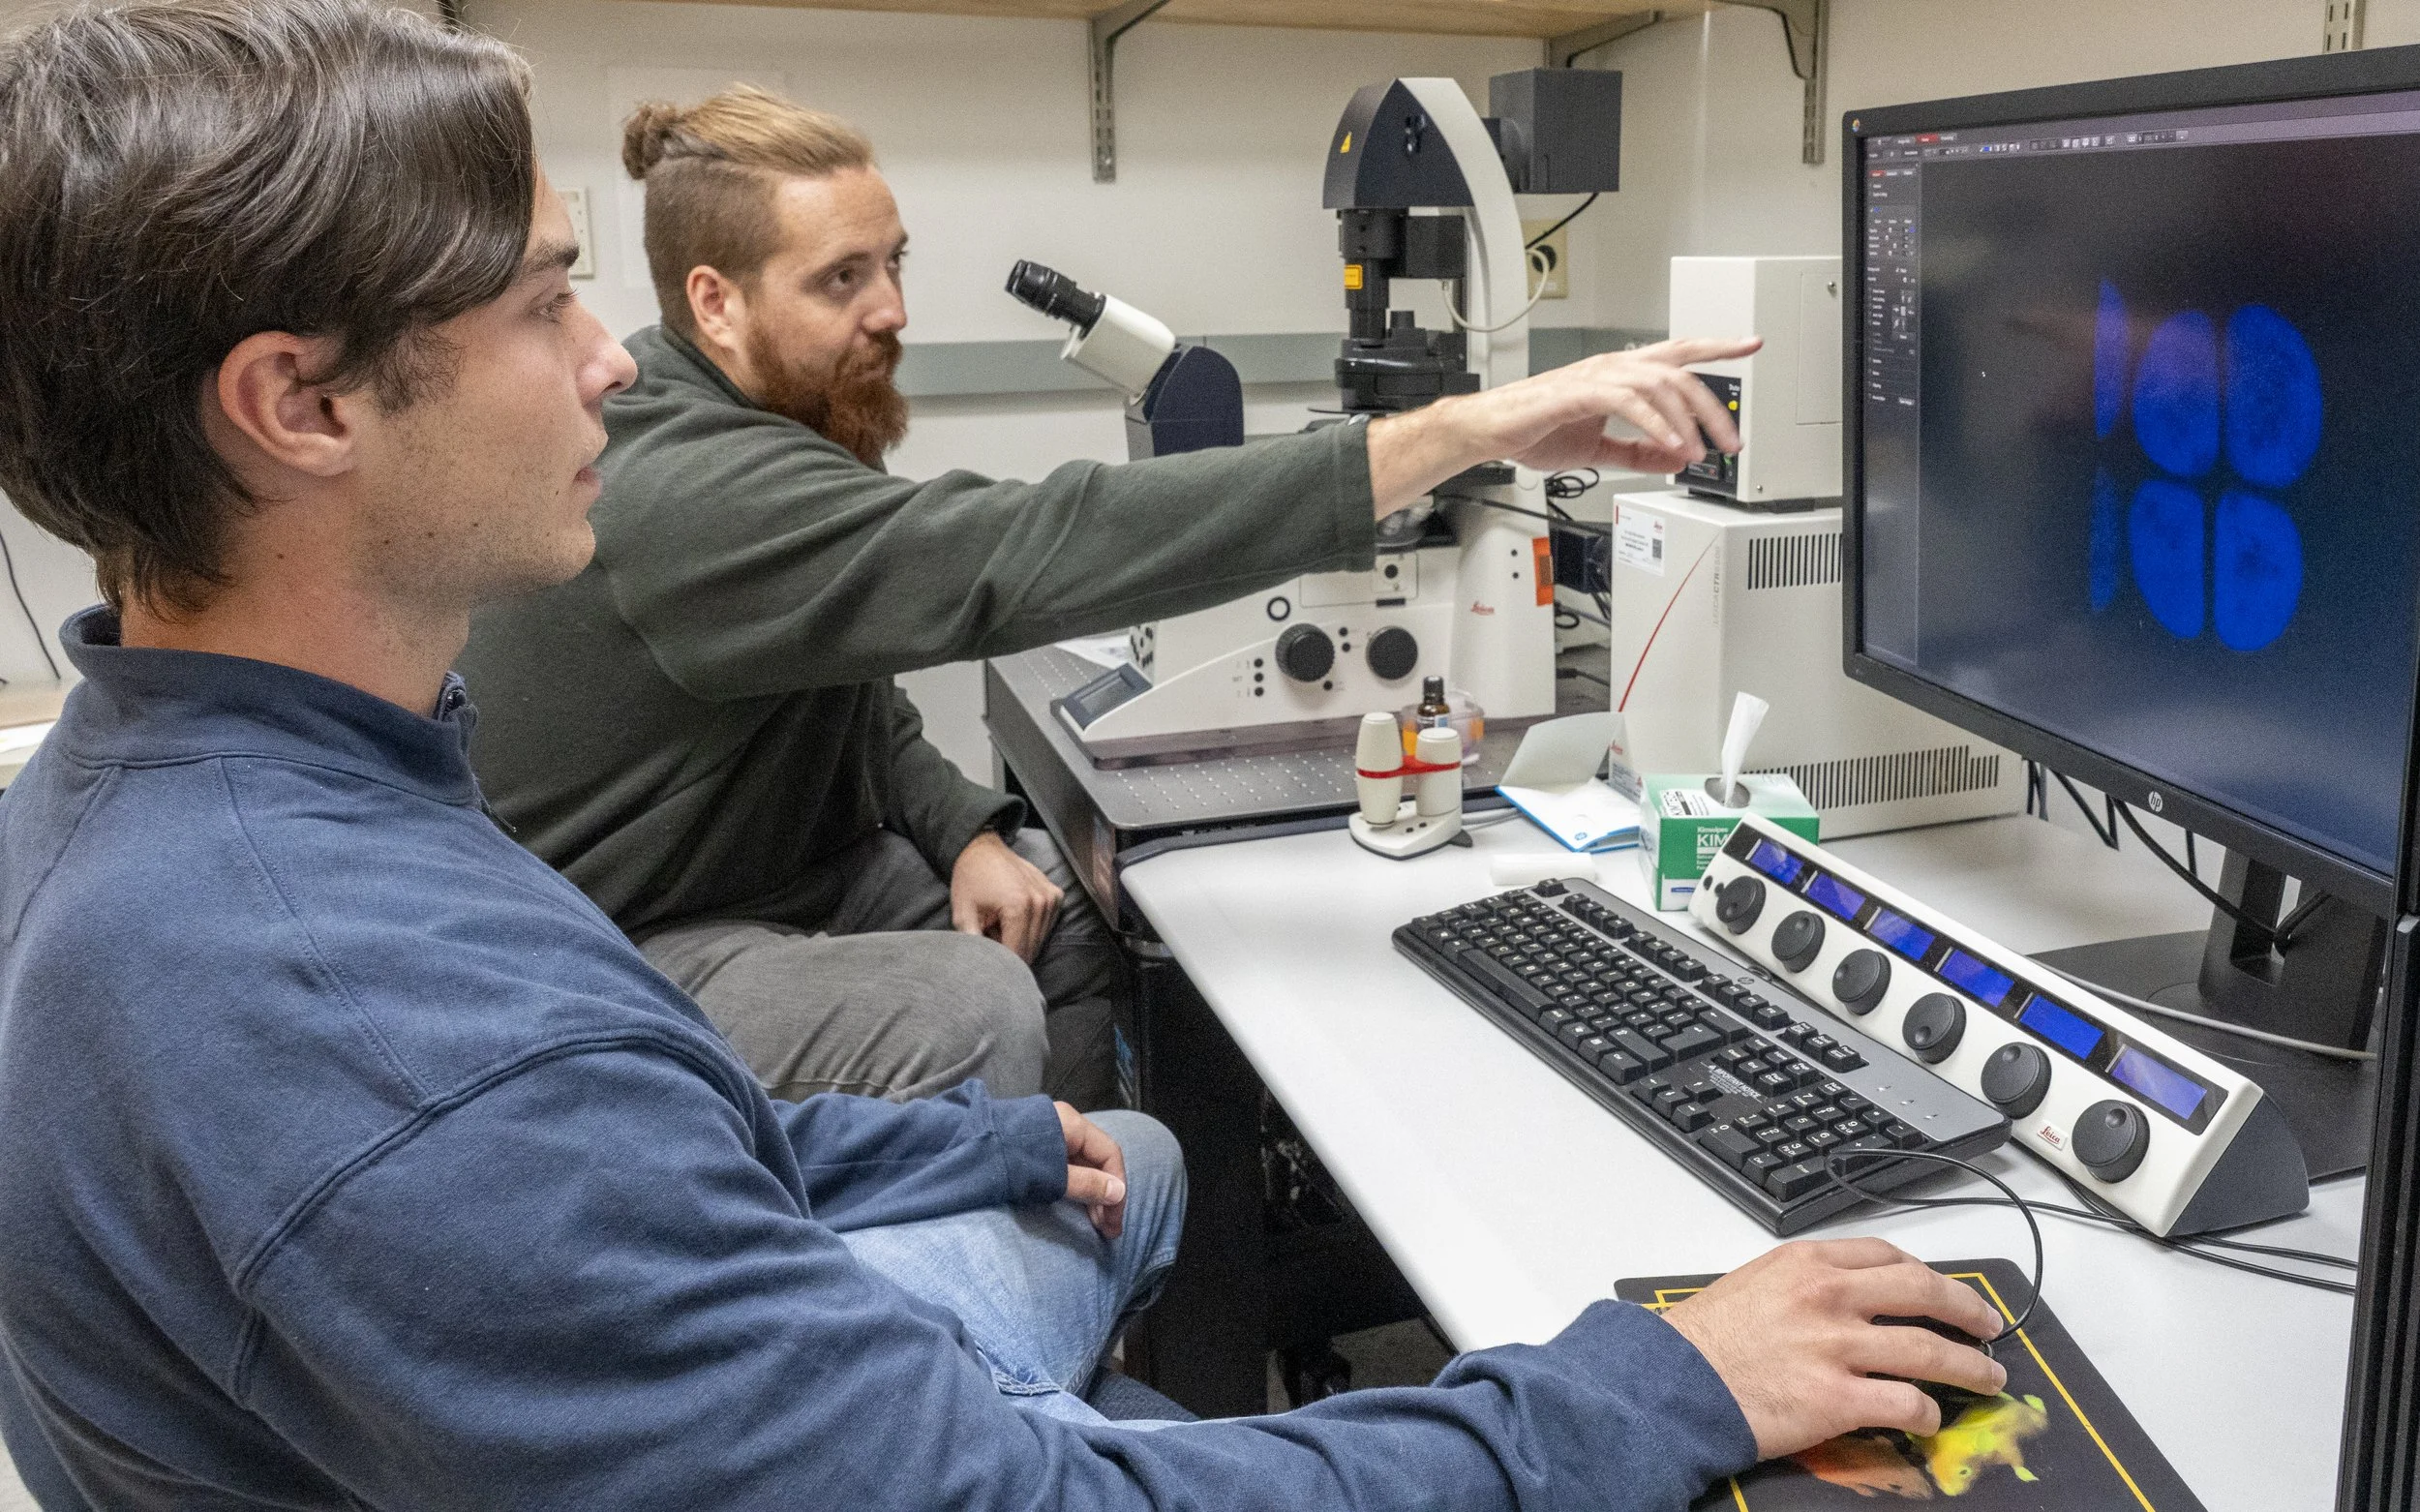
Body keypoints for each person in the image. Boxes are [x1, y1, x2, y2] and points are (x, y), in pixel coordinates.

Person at [0, 2, 2012, 1506]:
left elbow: (629, 1135)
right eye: (544, 304)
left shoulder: (159, 805)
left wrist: (941, 1139)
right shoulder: (394, 1031)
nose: (605, 359)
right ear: (299, 406)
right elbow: (994, 563)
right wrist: (1632, 1388)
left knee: (1124, 1156)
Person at [454, 87, 1758, 1112]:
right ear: (713, 300)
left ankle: (1088, 1231)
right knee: (971, 1001)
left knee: (1058, 915)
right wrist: (1468, 428)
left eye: (892, 263)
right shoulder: (691, 488)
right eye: (841, 279)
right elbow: (1021, 549)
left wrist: (963, 824)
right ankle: (966, 1330)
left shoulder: (747, 422)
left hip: (785, 872)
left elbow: (836, 666)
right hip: (639, 946)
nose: (895, 310)